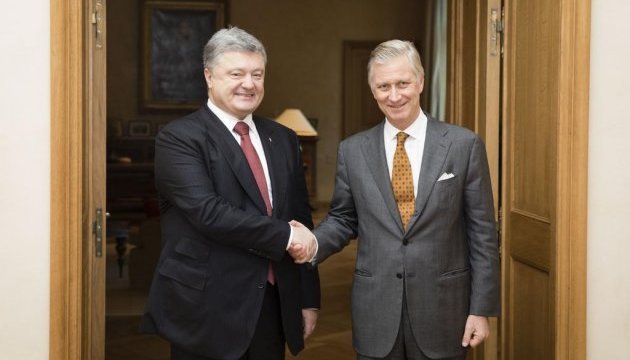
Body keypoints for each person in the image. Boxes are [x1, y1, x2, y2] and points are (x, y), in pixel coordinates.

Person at [293, 40, 500, 360]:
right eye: (383, 86)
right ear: (372, 89)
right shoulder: (353, 150)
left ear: (420, 81)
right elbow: (344, 218)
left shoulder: (463, 145)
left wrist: (481, 309)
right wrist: (313, 243)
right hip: (376, 312)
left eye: (402, 83)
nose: (394, 95)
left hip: (445, 312)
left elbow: (483, 233)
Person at [141, 26, 320, 360]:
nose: (248, 84)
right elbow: (208, 212)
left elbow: (301, 218)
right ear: (209, 77)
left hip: (272, 301)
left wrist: (307, 298)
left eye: (257, 74)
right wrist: (286, 235)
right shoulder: (179, 138)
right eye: (236, 73)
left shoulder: (282, 138)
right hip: (206, 307)